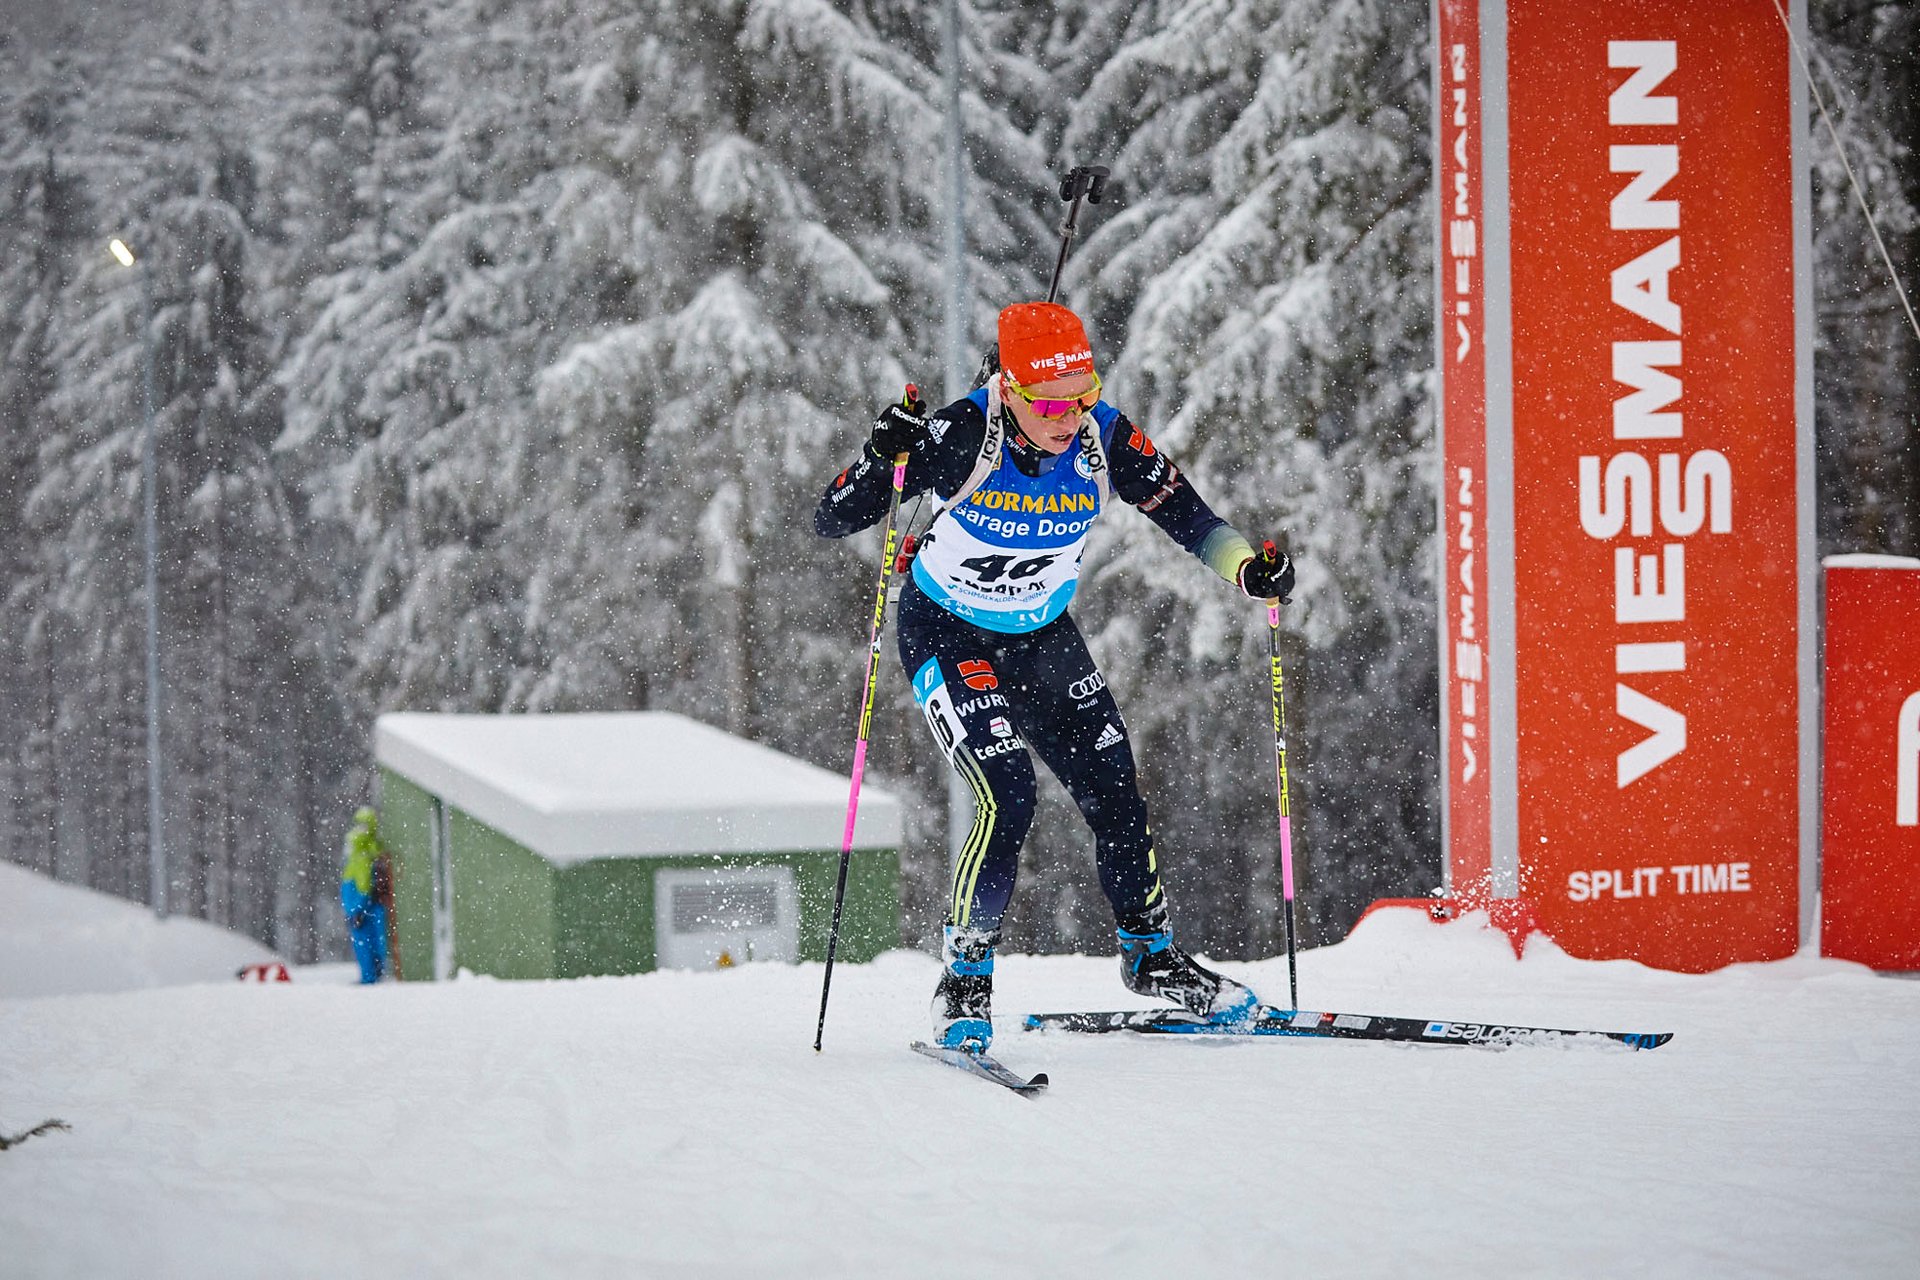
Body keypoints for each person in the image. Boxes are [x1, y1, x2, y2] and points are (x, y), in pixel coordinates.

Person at [814, 301, 1295, 1051]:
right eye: (1048, 403)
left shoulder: (1102, 435)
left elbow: (1188, 515)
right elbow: (833, 516)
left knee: (1115, 787)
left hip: (1040, 637)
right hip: (948, 634)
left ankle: (1152, 958)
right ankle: (964, 981)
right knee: (1007, 793)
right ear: (1008, 389)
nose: (1068, 417)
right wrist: (882, 457)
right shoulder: (961, 435)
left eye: (1081, 396)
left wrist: (1246, 570)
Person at [341, 806, 391, 984]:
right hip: (365, 906)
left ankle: (369, 977)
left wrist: (357, 909)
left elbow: (363, 885)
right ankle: (374, 974)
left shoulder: (361, 853)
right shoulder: (370, 850)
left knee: (365, 942)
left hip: (360, 906)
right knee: (373, 941)